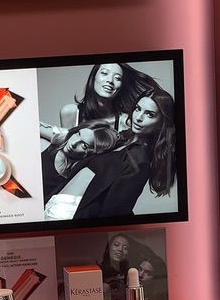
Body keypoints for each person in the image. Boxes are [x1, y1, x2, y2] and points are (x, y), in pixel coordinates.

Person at [74, 86, 177, 221]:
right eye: (138, 109)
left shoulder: (139, 160)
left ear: (161, 123)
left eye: (149, 114)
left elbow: (112, 213)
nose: (138, 118)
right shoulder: (121, 137)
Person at [39, 62, 159, 142]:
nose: (110, 81)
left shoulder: (125, 121)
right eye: (104, 73)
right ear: (94, 77)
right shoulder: (70, 112)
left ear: (121, 86)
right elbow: (65, 147)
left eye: (117, 78)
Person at [41, 121, 118, 207]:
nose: (73, 143)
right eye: (78, 134)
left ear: (92, 153)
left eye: (84, 145)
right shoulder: (44, 146)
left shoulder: (78, 178)